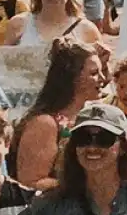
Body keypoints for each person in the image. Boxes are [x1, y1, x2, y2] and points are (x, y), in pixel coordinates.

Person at [14, 38, 108, 190]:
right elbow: (30, 182)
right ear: (73, 78)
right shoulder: (44, 124)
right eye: (94, 73)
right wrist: (86, 187)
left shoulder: (92, 116)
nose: (103, 79)